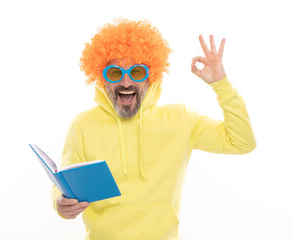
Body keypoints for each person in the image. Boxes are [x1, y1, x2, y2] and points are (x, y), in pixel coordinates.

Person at [51, 18, 256, 240]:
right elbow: (64, 184)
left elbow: (242, 142)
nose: (126, 82)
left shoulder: (181, 119)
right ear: (102, 78)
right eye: (114, 73)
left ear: (152, 76)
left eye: (137, 72)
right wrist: (59, 203)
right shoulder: (82, 126)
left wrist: (221, 85)